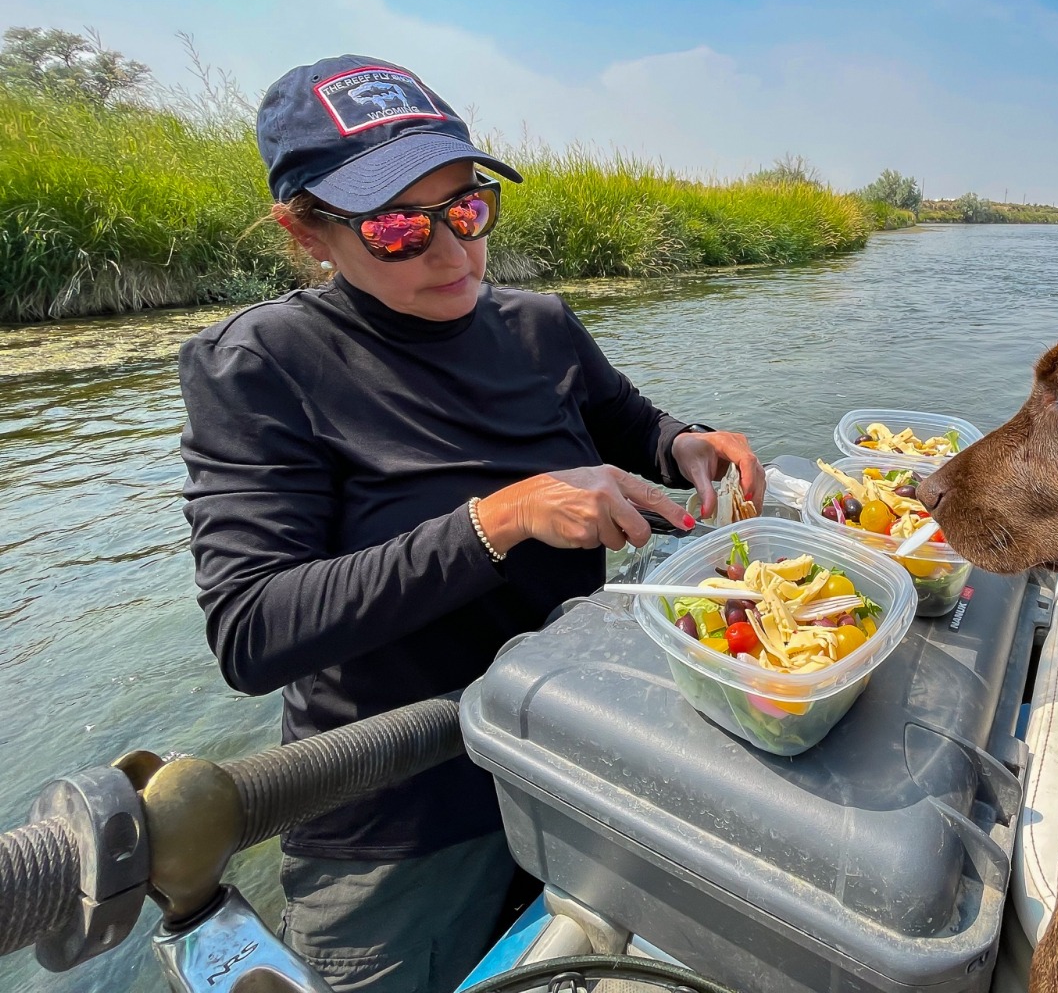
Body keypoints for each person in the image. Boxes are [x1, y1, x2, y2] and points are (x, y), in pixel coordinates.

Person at [178, 55, 763, 993]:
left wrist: (690, 446)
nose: (453, 256)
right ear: (307, 234)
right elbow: (252, 631)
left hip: (572, 764)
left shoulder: (540, 325)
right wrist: (501, 519)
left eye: (467, 210)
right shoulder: (262, 365)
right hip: (399, 826)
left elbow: (632, 426)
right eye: (399, 228)